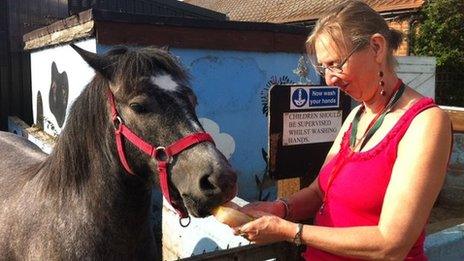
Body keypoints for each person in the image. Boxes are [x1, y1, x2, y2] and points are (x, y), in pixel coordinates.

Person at [234, 1, 453, 260]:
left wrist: (289, 230)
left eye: (336, 64)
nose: (329, 79)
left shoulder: (425, 124)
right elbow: (318, 192)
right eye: (323, 68)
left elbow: (392, 244)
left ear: (376, 47)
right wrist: (280, 207)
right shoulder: (356, 116)